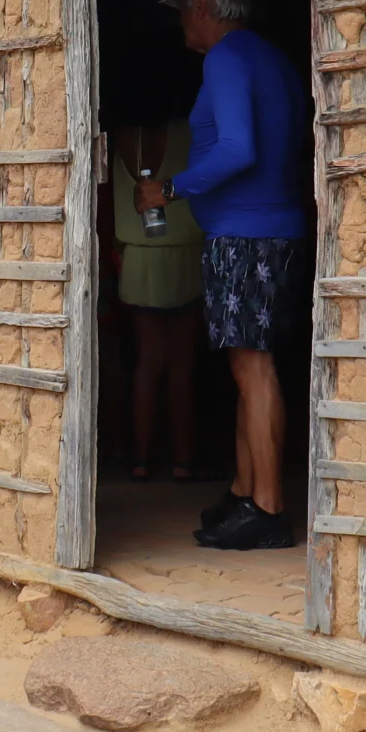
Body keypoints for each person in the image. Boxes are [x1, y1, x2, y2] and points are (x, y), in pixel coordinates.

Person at [134, 0, 315, 552]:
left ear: (203, 8)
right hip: (268, 229)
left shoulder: (228, 58)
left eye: (183, 10)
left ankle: (268, 509)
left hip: (248, 234)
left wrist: (171, 188)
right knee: (249, 366)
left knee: (255, 370)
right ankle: (245, 493)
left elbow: (238, 148)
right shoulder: (271, 59)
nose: (182, 24)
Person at [111, 118, 205, 482]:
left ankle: (141, 460)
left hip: (138, 257)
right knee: (182, 363)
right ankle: (183, 462)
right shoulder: (188, 131)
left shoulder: (120, 136)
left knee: (147, 362)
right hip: (182, 253)